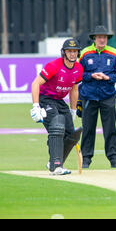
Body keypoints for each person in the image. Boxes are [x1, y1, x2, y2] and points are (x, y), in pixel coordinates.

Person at [30, 39, 83, 175]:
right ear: (64, 53)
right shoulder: (54, 66)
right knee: (57, 124)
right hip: (45, 99)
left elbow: (74, 89)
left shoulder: (78, 68)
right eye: (69, 51)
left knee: (71, 133)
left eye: (75, 51)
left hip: (59, 101)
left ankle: (53, 161)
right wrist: (36, 106)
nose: (72, 54)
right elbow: (36, 83)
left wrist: (72, 110)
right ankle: (56, 167)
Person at [78, 26, 116, 168]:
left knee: (110, 128)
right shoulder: (85, 53)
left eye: (104, 37)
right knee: (88, 128)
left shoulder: (114, 53)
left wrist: (108, 77)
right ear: (94, 38)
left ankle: (113, 158)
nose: (102, 39)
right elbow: (78, 73)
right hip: (89, 96)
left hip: (107, 96)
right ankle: (86, 158)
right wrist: (91, 75)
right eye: (99, 37)